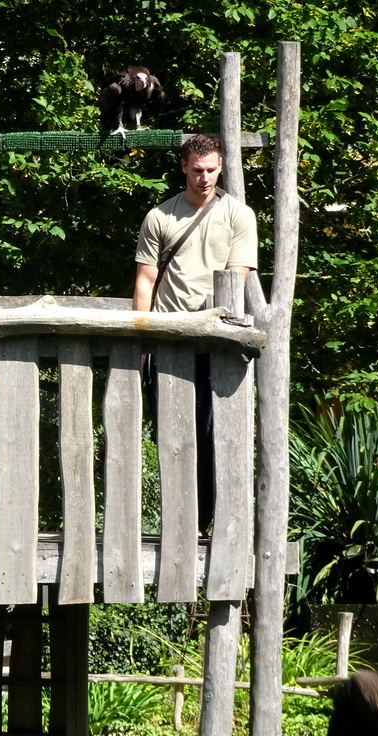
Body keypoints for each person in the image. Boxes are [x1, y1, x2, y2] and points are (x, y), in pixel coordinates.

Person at [132, 133, 257, 533]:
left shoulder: (238, 215)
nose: (205, 177)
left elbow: (238, 276)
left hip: (216, 341)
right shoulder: (160, 216)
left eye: (212, 170)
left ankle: (209, 522)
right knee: (170, 437)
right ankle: (178, 523)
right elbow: (145, 282)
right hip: (167, 340)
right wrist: (141, 338)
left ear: (221, 167)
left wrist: (215, 322)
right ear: (184, 166)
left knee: (213, 433)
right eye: (198, 169)